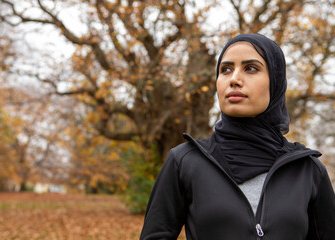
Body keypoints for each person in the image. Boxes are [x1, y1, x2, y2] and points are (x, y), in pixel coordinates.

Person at [139, 33, 335, 240]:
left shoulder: (308, 169)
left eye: (251, 68)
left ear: (276, 82)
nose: (234, 79)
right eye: (226, 69)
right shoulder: (185, 161)